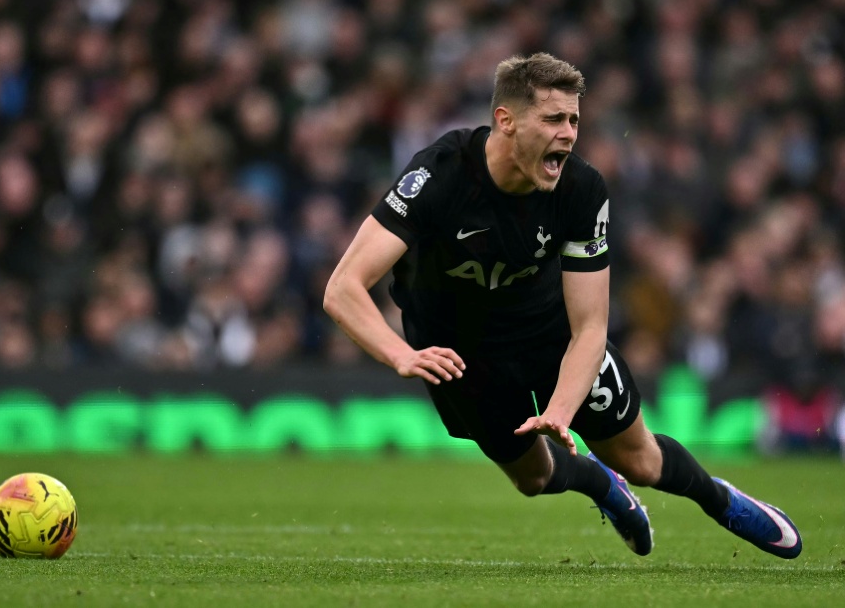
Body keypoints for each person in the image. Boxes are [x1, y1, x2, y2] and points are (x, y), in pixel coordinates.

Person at [323, 52, 802, 559]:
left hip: (549, 334)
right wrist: (400, 354)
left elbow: (591, 326)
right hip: (461, 354)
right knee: (533, 479)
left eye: (574, 119)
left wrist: (560, 409)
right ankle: (602, 486)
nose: (569, 133)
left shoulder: (581, 189)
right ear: (505, 122)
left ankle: (717, 498)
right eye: (554, 119)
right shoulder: (439, 176)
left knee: (640, 460)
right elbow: (343, 287)